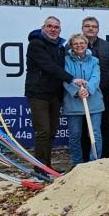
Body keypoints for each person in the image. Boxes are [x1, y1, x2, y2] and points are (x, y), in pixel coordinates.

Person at [24, 16, 74, 172]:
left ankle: (47, 166)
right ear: (43, 27)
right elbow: (49, 66)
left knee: (52, 131)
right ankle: (40, 168)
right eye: (50, 26)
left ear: (60, 30)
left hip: (54, 94)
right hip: (38, 94)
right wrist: (72, 79)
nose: (53, 29)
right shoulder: (36, 44)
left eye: (56, 27)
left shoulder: (59, 47)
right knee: (43, 131)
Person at [62, 33, 104, 168]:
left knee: (95, 134)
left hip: (93, 102)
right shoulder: (66, 60)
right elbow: (65, 78)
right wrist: (76, 91)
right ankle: (77, 164)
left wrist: (88, 90)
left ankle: (94, 163)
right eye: (76, 43)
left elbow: (95, 78)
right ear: (71, 46)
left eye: (82, 43)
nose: (79, 45)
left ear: (86, 45)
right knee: (75, 135)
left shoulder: (94, 61)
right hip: (73, 103)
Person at [81, 16, 109, 159]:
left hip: (102, 93)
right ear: (82, 28)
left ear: (98, 29)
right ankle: (86, 160)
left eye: (94, 26)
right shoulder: (74, 45)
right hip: (82, 94)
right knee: (85, 127)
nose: (91, 29)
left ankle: (107, 157)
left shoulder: (107, 47)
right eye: (87, 26)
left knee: (105, 126)